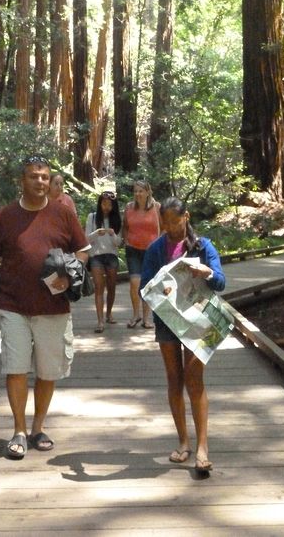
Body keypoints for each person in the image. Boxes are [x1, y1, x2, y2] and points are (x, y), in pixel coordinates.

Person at [0, 156, 90, 459]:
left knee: (48, 372)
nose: (39, 181)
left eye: (44, 177)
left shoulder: (63, 214)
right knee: (15, 368)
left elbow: (82, 250)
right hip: (14, 305)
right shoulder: (5, 216)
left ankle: (38, 427)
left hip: (54, 307)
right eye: (33, 176)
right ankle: (18, 430)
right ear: (22, 180)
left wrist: (71, 274)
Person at [140, 197, 225, 475]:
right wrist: (159, 289)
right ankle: (183, 442)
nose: (171, 228)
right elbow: (145, 287)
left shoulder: (203, 246)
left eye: (176, 222)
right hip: (167, 321)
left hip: (198, 319)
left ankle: (203, 447)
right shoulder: (155, 249)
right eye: (165, 223)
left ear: (186, 217)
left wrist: (207, 272)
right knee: (174, 380)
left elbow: (221, 282)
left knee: (194, 380)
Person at [122, 180, 160, 329]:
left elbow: (163, 227)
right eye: (135, 191)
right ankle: (135, 315)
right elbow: (125, 226)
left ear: (148, 192)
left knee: (148, 284)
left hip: (151, 251)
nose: (138, 194)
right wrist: (126, 240)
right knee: (134, 283)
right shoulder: (129, 208)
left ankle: (146, 318)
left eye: (141, 191)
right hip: (133, 250)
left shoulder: (156, 208)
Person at [85, 191, 122, 333]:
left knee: (111, 287)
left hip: (112, 256)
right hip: (96, 257)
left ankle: (109, 313)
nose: (106, 207)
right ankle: (100, 321)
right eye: (103, 203)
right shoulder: (92, 217)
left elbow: (118, 243)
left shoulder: (117, 220)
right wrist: (96, 233)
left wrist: (112, 234)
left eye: (109, 204)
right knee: (99, 288)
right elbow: (86, 239)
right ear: (100, 203)